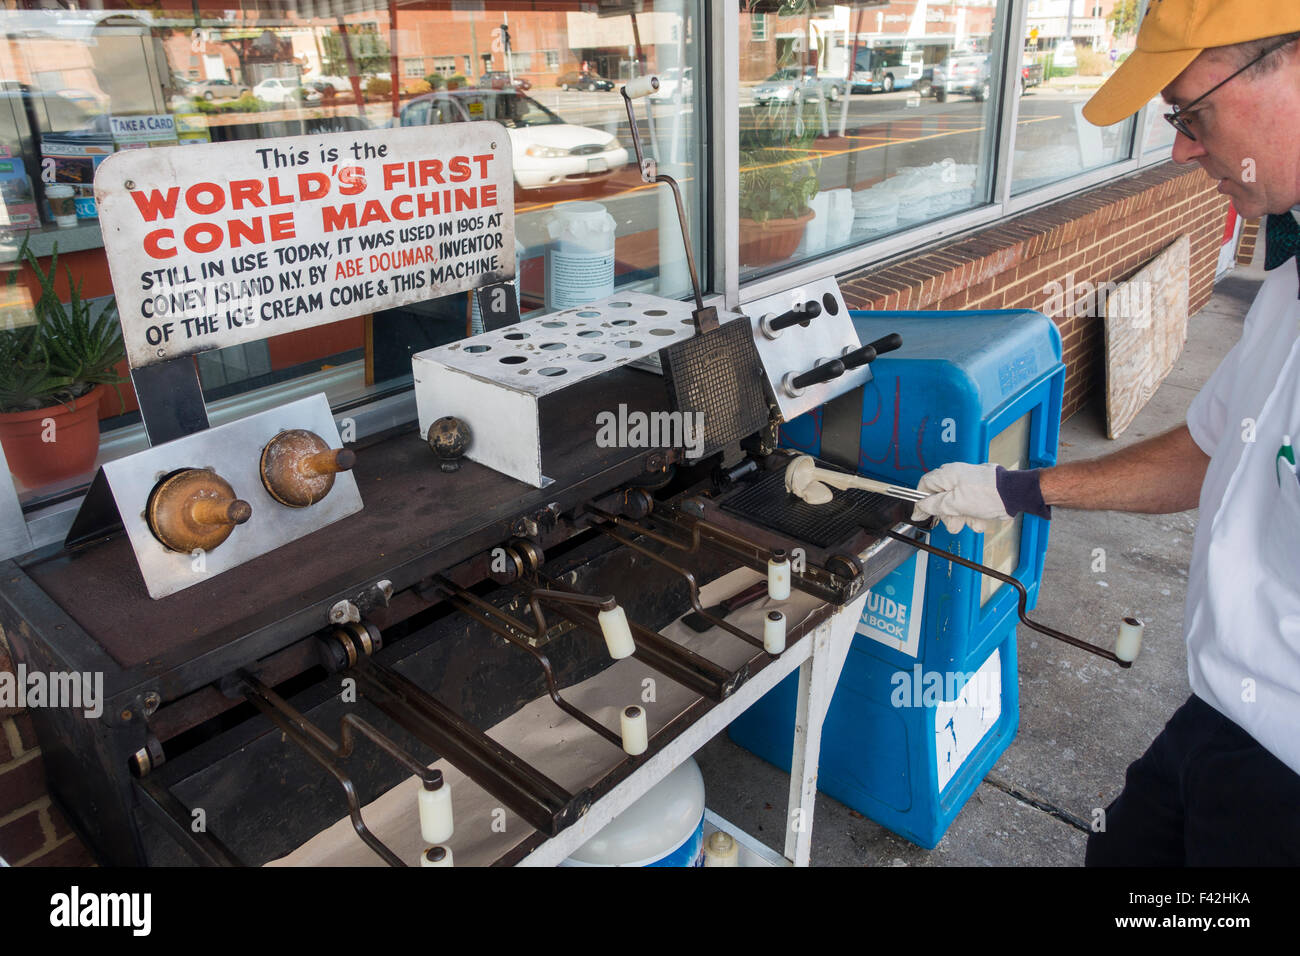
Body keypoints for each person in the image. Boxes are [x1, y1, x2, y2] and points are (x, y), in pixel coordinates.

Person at [910, 0, 1300, 866]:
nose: (1181, 150)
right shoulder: (1285, 289)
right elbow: (1212, 449)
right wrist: (1014, 489)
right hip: (1222, 714)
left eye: (1194, 114)